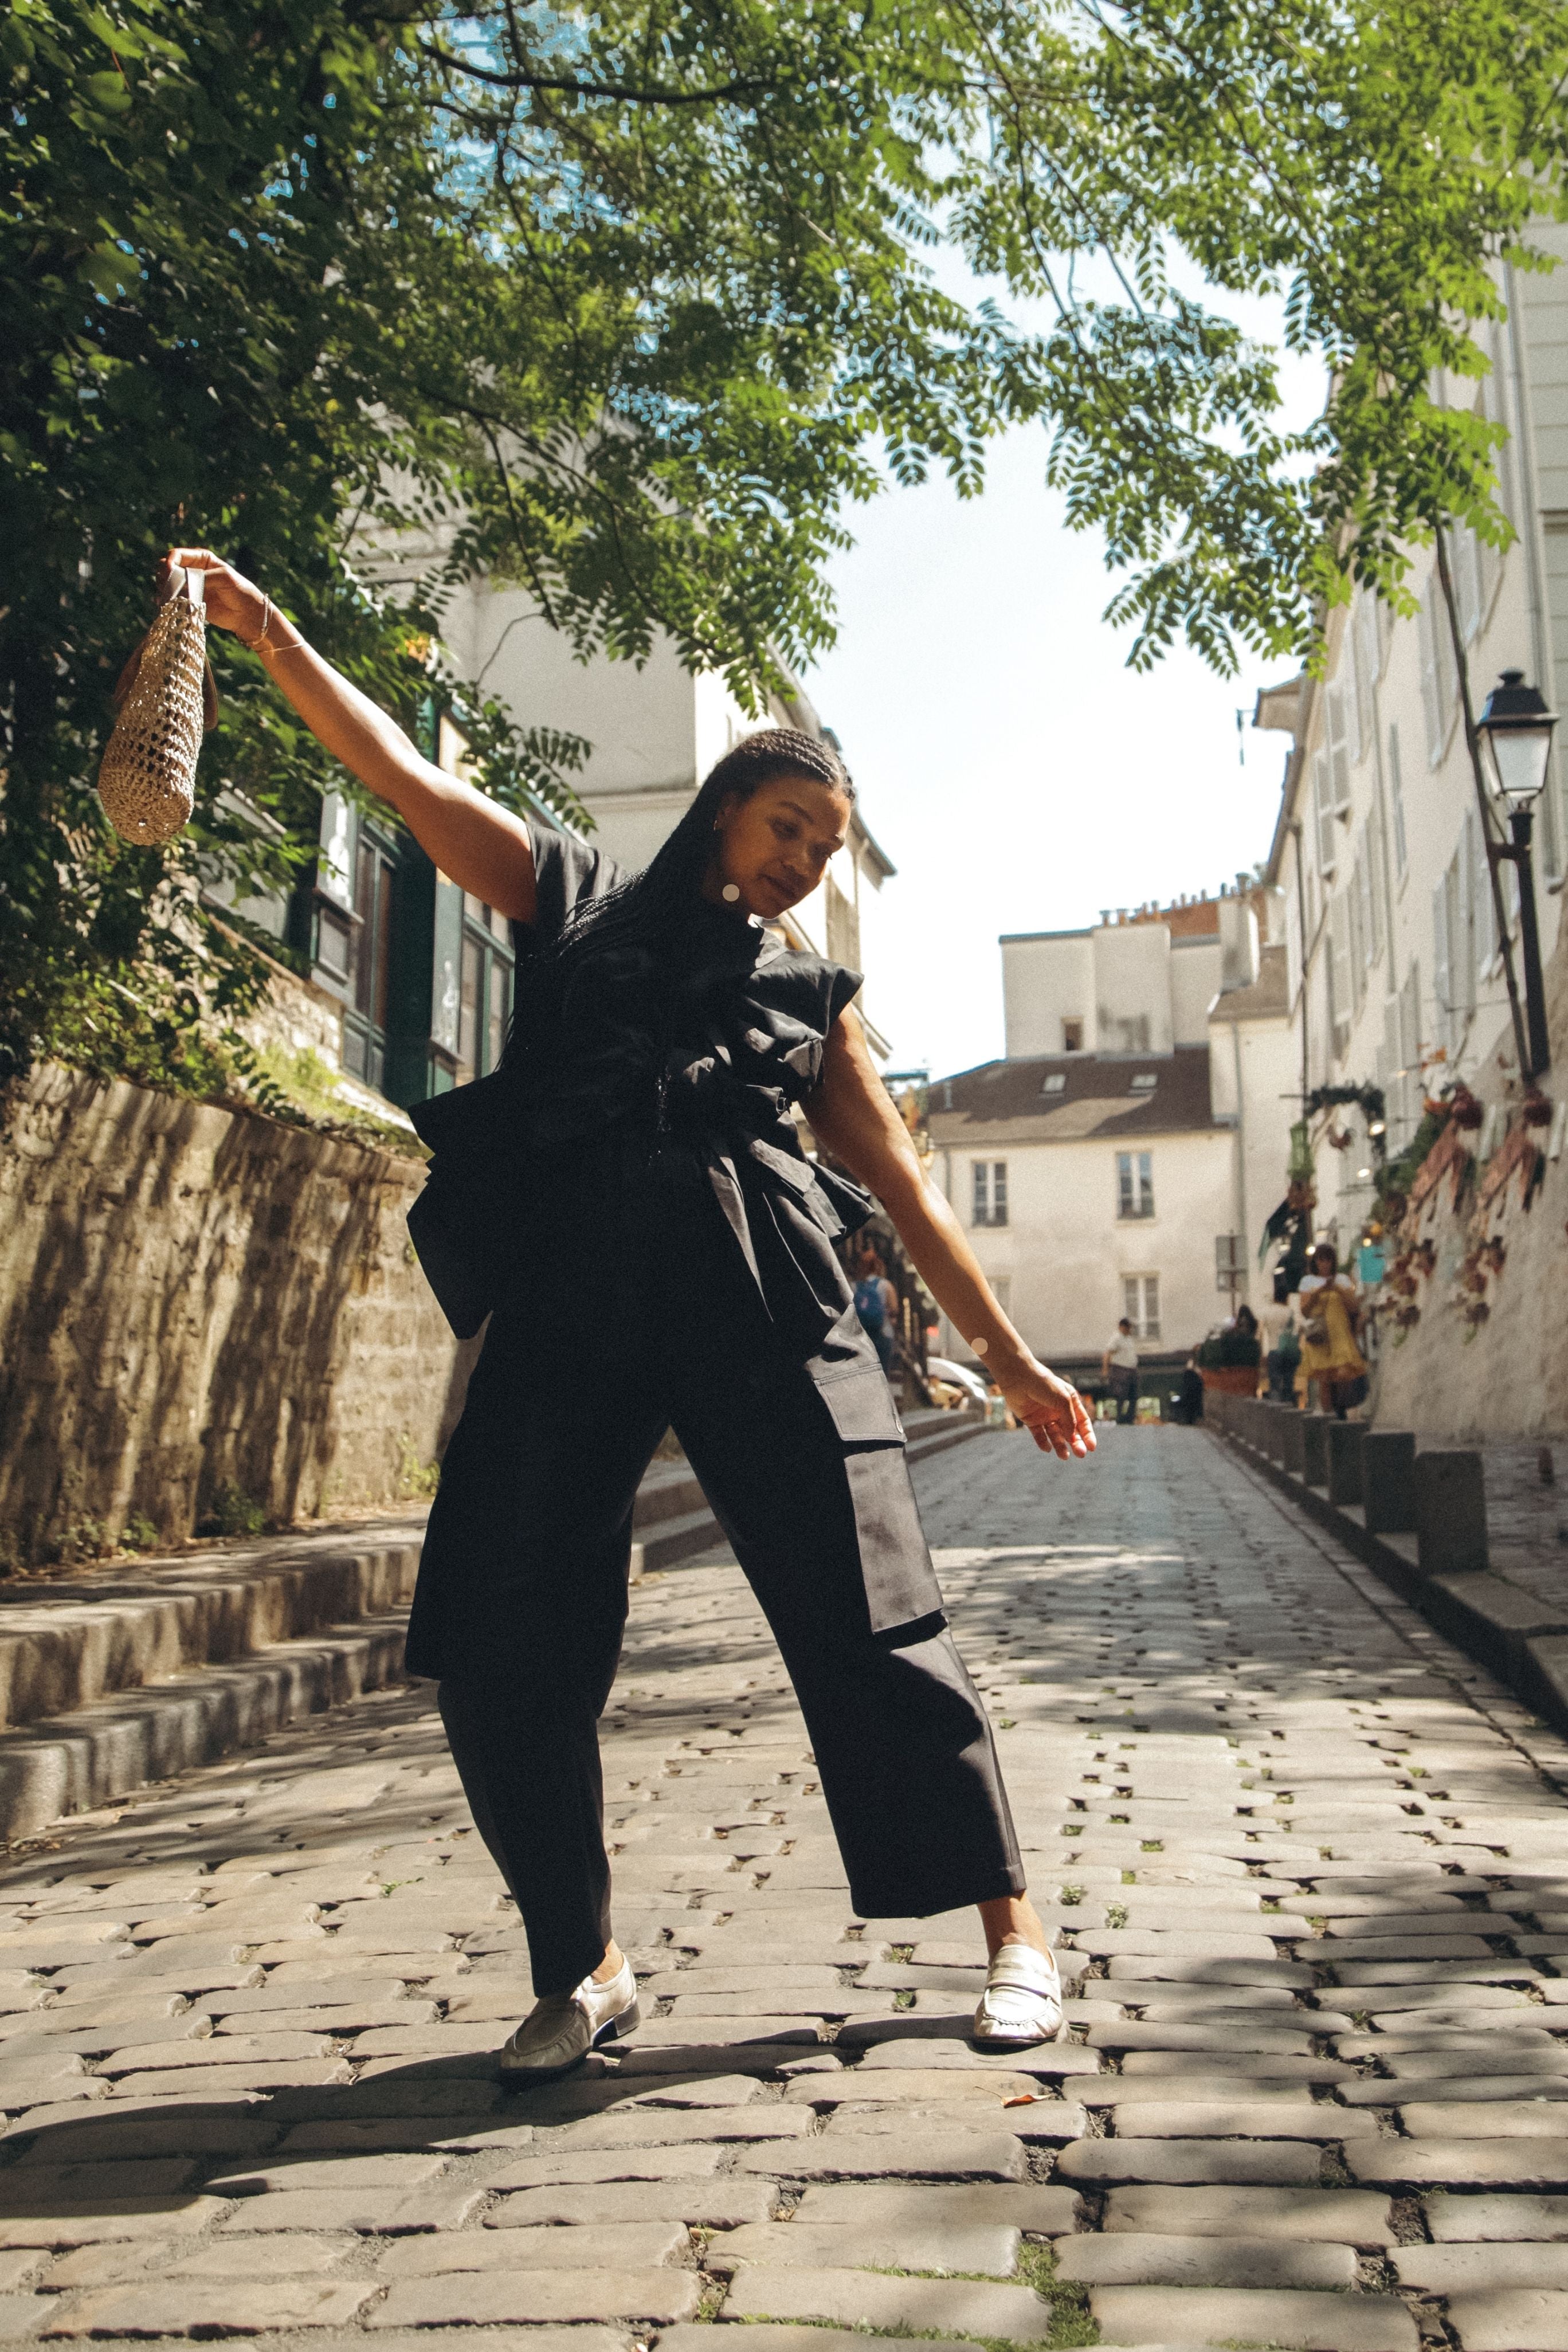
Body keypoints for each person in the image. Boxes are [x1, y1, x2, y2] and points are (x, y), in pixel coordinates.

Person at [166, 549, 1097, 2079]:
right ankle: (581, 1965)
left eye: (826, 848)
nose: (803, 861)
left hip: (769, 1311)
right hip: (572, 1311)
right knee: (497, 1640)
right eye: (788, 825)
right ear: (726, 806)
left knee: (872, 1614)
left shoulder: (809, 1000)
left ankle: (1013, 1933)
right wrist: (272, 638)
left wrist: (1010, 1358)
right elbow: (402, 781)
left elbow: (909, 1199)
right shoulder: (569, 895)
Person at [1296, 1242, 1367, 1417]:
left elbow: (1353, 1307)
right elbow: (1305, 1310)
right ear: (1315, 1262)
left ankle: (1343, 1410)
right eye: (1321, 1260)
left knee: (1343, 1373)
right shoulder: (1308, 1282)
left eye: (1328, 1260)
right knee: (1324, 1379)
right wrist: (1318, 1293)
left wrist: (1337, 1289)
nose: (1325, 1264)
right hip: (1320, 1334)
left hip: (1340, 1332)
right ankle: (1329, 1417)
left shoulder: (1342, 1280)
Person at [852, 1251, 895, 1374]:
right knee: (882, 1373)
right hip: (883, 1334)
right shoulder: (886, 1285)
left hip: (860, 1336)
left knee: (863, 1374)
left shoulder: (853, 1287)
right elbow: (894, 1309)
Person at [1103, 1316, 1140, 1425]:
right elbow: (1108, 1353)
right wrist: (1105, 1369)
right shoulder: (1117, 1338)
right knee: (1122, 1394)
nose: (1130, 1330)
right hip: (1121, 1369)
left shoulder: (1129, 1339)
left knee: (1134, 1395)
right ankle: (1120, 1417)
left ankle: (1130, 1417)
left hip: (1132, 1370)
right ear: (1123, 1327)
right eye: (1128, 1327)